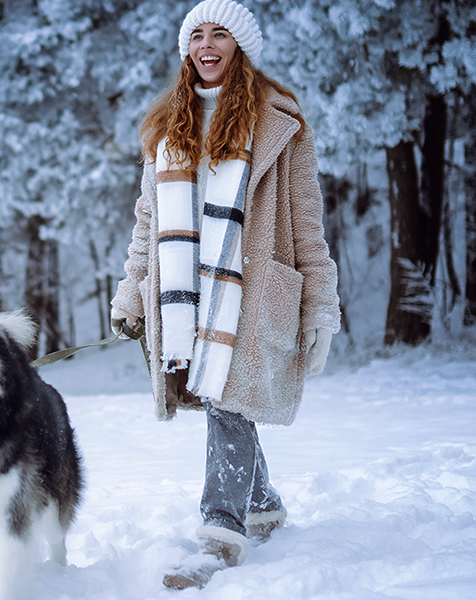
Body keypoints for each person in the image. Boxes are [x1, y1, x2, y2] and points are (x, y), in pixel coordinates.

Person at [108, 0, 341, 589]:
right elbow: (147, 221)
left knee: (229, 400)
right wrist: (132, 292)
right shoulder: (168, 125)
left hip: (252, 290)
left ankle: (218, 535)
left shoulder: (281, 123)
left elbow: (308, 223)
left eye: (220, 35)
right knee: (220, 400)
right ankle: (262, 506)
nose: (206, 46)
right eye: (197, 36)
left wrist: (320, 306)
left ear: (241, 47)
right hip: (185, 295)